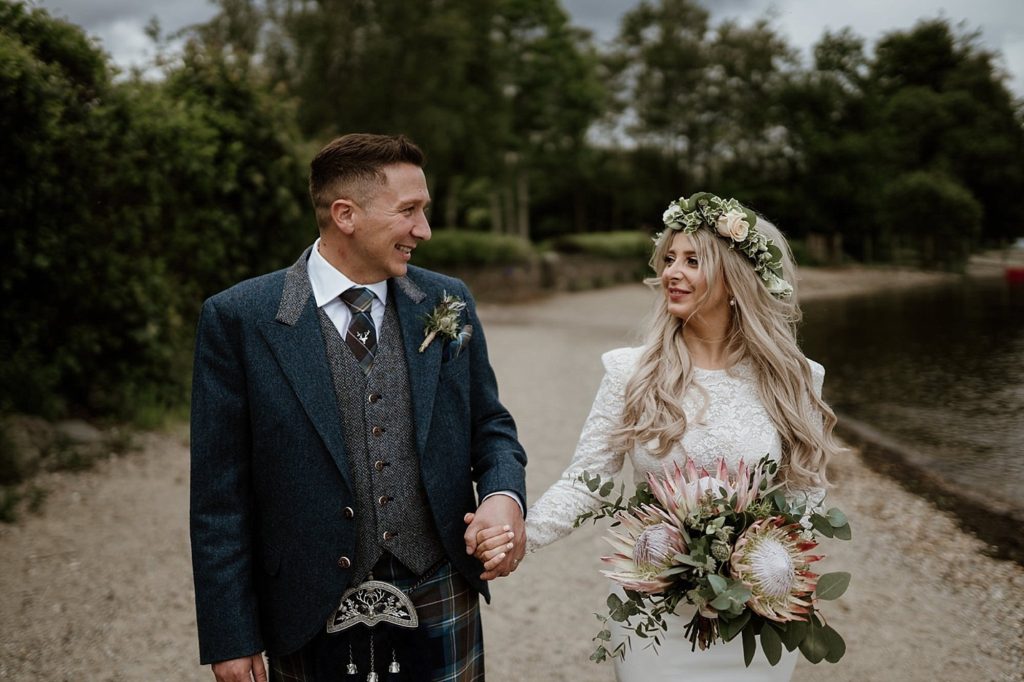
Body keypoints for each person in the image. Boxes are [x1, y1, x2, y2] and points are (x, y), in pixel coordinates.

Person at [190, 133, 527, 682]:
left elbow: (490, 427)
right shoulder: (239, 319)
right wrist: (231, 634)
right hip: (307, 604)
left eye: (424, 210)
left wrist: (503, 497)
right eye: (408, 211)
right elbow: (218, 497)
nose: (424, 229)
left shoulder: (447, 301)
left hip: (439, 585)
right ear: (345, 215)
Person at [469, 192, 842, 680]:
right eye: (669, 259)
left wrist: (771, 571)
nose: (672, 272)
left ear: (736, 279)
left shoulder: (795, 377)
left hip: (753, 613)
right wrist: (518, 536)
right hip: (653, 614)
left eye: (692, 261)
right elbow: (587, 480)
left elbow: (804, 496)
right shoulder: (632, 373)